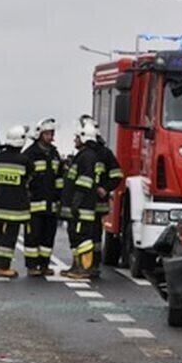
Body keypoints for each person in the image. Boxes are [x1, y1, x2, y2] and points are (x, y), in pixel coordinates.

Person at [79, 115, 123, 274]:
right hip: (88, 202)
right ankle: (89, 264)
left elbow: (117, 175)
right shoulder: (91, 153)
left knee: (91, 234)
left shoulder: (104, 154)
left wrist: (105, 188)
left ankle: (91, 264)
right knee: (91, 234)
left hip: (94, 203)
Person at [0, 125, 33, 279]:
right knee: (8, 240)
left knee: (0, 238)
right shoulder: (24, 161)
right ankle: (2, 267)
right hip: (14, 209)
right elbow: (29, 179)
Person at [22, 118, 62, 277]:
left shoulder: (54, 153)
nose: (51, 137)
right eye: (48, 133)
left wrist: (59, 198)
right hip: (34, 206)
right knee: (33, 237)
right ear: (39, 134)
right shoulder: (30, 154)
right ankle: (32, 266)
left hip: (51, 206)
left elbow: (59, 178)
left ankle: (44, 265)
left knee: (48, 238)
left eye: (52, 133)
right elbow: (24, 179)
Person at [60, 121, 100, 280]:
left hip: (83, 207)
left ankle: (84, 268)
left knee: (83, 238)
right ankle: (76, 266)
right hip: (78, 207)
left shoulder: (87, 157)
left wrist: (77, 201)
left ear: (84, 138)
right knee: (75, 237)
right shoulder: (82, 156)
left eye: (77, 137)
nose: (75, 140)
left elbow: (85, 181)